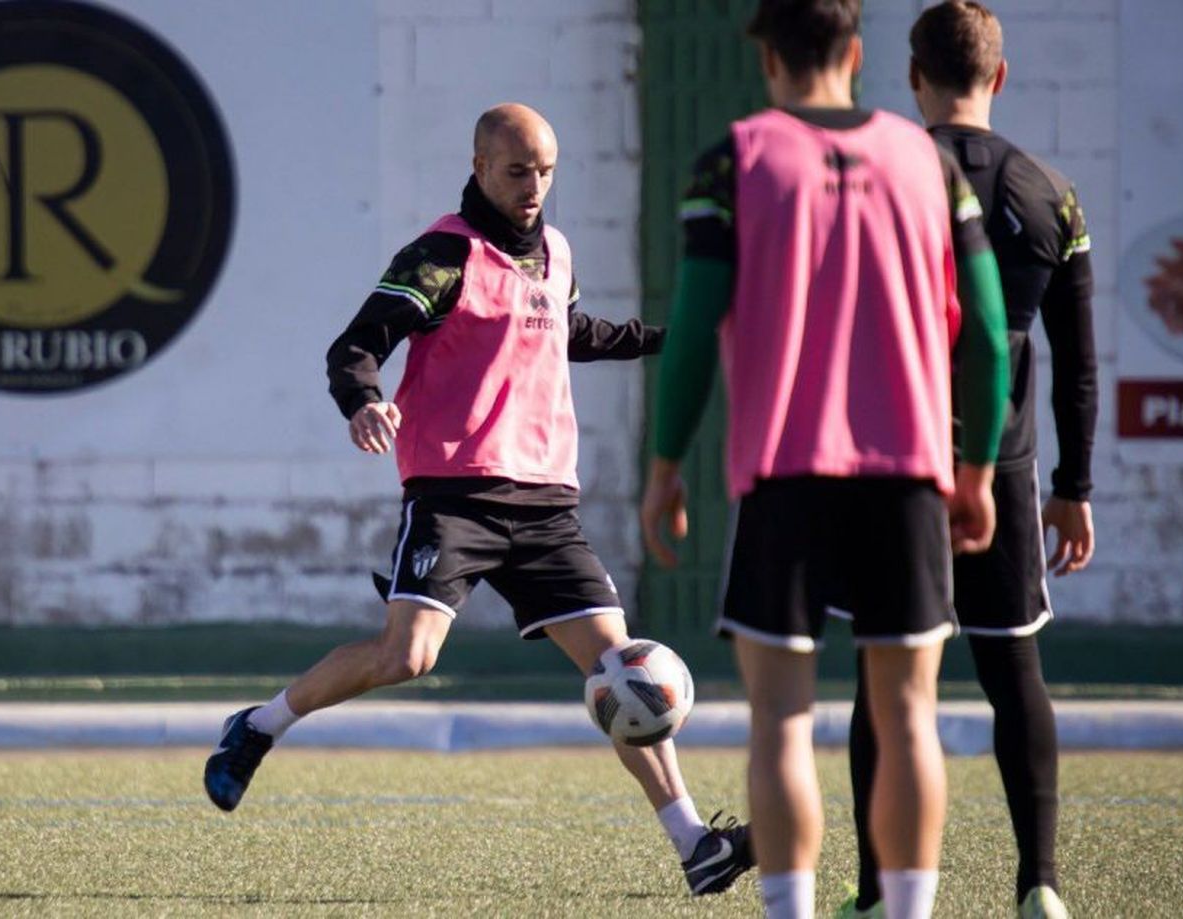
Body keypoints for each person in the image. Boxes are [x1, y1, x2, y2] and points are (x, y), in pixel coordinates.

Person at [203, 103, 757, 897]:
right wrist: (363, 400)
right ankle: (258, 726)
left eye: (546, 171)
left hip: (545, 503)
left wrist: (672, 340)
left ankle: (695, 844)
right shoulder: (443, 254)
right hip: (455, 494)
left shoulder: (556, 252)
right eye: (517, 171)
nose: (534, 187)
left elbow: (566, 331)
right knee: (407, 657)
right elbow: (357, 343)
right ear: (479, 166)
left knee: (622, 669)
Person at [639, 0, 1011, 916]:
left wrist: (665, 465)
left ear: (768, 57)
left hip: (786, 477)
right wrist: (976, 469)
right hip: (910, 474)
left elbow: (691, 328)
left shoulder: (732, 160)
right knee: (909, 714)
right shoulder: (927, 160)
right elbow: (988, 332)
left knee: (782, 720)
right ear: (856, 51)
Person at [841, 5, 1096, 918]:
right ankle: (1041, 886)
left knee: (886, 681)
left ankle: (880, 894)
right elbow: (1077, 360)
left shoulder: (878, 176)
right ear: (1000, 75)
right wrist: (1073, 487)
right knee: (1014, 672)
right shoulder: (1050, 192)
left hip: (895, 463)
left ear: (913, 77)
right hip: (1006, 465)